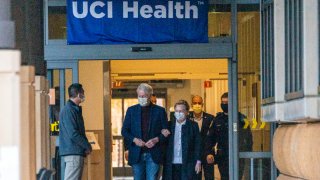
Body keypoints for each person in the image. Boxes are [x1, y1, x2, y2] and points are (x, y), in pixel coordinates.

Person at [121, 83, 169, 180]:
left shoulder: (160, 111)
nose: (141, 98)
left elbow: (166, 132)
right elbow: (124, 131)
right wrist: (134, 140)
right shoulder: (131, 110)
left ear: (150, 96)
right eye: (139, 96)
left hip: (154, 154)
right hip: (137, 153)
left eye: (144, 96)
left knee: (152, 178)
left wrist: (156, 140)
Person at [205, 92, 253, 180]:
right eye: (223, 103)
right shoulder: (217, 119)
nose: (224, 105)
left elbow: (248, 138)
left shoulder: (241, 119)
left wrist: (247, 154)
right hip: (222, 156)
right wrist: (209, 153)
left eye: (227, 103)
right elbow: (210, 138)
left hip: (238, 155)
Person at [59, 83, 92, 180]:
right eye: (83, 92)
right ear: (78, 94)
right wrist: (87, 145)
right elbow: (73, 133)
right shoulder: (69, 110)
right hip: (73, 153)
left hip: (75, 152)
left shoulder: (73, 109)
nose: (84, 95)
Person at [163, 100, 202, 180]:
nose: (178, 113)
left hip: (188, 163)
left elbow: (197, 144)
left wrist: (198, 161)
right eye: (176, 111)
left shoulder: (193, 126)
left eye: (181, 111)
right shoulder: (169, 125)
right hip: (171, 163)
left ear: (187, 112)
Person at [189, 95, 215, 180]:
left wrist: (211, 152)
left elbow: (213, 137)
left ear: (202, 104)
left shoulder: (210, 118)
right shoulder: (187, 118)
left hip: (207, 153)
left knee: (209, 176)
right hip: (193, 154)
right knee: (195, 176)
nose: (197, 105)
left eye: (199, 103)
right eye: (195, 103)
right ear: (191, 104)